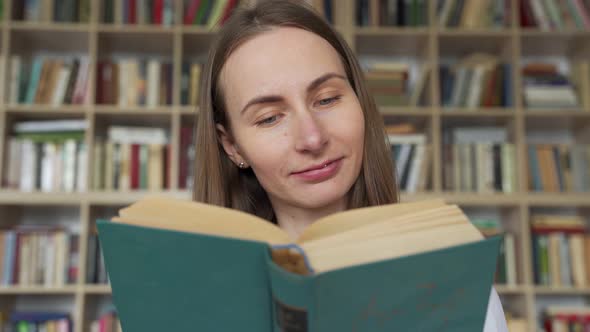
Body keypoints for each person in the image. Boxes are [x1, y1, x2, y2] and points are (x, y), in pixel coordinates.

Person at [193, 1, 509, 331]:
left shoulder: (454, 276)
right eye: (270, 118)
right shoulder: (203, 298)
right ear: (231, 145)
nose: (312, 138)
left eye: (327, 99)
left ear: (359, 100)